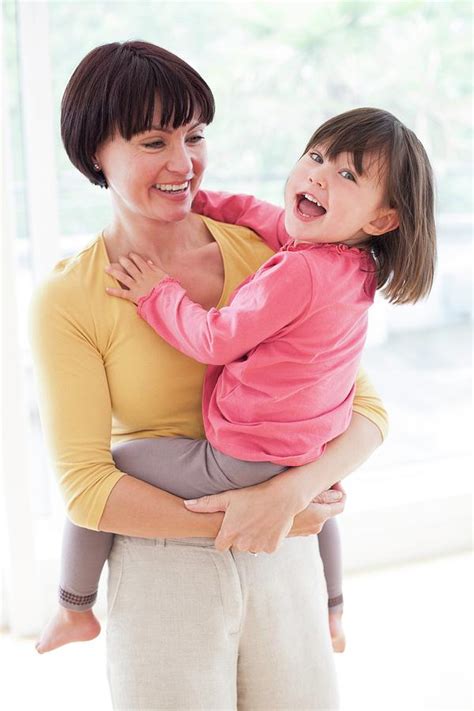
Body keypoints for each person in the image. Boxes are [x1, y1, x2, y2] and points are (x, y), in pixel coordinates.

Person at [30, 41, 391, 710]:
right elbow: (87, 486)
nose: (183, 162)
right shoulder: (70, 297)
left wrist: (292, 495)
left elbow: (365, 408)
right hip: (163, 566)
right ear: (93, 154)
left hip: (286, 548)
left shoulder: (269, 252)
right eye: (152, 140)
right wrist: (260, 511)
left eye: (195, 135)